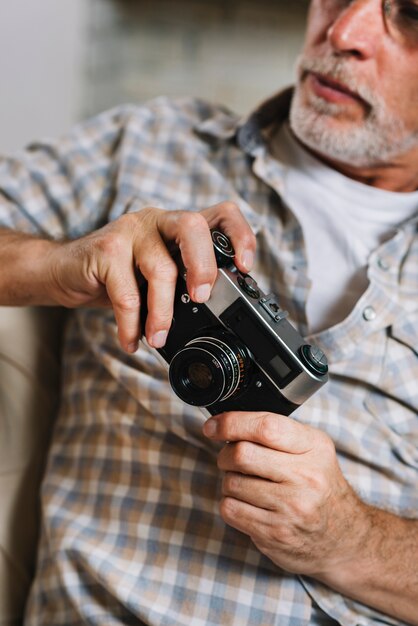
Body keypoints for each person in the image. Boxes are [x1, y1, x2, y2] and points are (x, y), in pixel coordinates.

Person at [1, 0, 417, 623]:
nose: (341, 32)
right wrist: (62, 266)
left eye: (410, 13)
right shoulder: (151, 142)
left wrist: (351, 539)